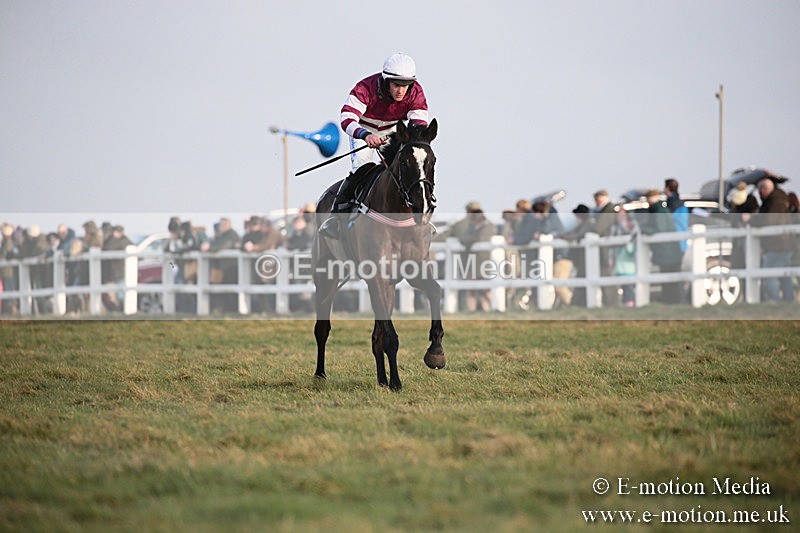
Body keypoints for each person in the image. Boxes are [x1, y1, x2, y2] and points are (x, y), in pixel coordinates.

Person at [320, 53, 429, 239]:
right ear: (386, 81)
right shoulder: (365, 88)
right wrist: (365, 135)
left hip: (393, 131)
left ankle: (423, 212)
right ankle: (336, 216)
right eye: (396, 85)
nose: (401, 91)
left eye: (405, 85)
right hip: (363, 129)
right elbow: (347, 118)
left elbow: (419, 124)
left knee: (411, 166)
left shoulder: (416, 92)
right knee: (362, 167)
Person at [436, 201, 495, 311]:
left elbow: (443, 237)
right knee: (481, 290)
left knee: (475, 290)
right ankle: (487, 310)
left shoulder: (460, 225)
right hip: (483, 261)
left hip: (470, 261)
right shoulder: (488, 224)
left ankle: (479, 310)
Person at [749, 177, 795, 302]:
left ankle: (776, 301)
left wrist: (751, 220)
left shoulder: (775, 202)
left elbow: (769, 221)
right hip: (785, 244)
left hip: (778, 245)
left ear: (764, 190)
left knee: (769, 275)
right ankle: (788, 302)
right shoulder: (778, 200)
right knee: (785, 276)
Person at [640, 189, 683, 304]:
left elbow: (660, 229)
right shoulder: (660, 210)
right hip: (668, 252)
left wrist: (644, 230)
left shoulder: (658, 211)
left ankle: (672, 302)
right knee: (670, 280)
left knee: (670, 281)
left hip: (667, 252)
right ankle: (672, 302)